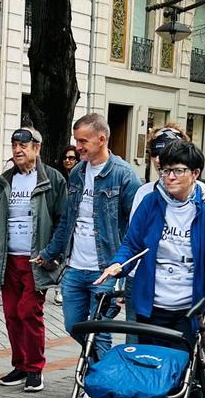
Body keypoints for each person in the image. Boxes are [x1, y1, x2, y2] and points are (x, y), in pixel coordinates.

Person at [95, 140, 205, 398]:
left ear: (195, 174)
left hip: (189, 308)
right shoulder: (152, 203)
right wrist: (118, 265)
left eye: (177, 171)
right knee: (156, 376)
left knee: (188, 377)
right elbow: (132, 243)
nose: (169, 177)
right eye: (165, 170)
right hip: (152, 304)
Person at [38, 113, 141, 359]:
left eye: (83, 141)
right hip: (75, 267)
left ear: (102, 138)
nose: (78, 147)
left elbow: (136, 228)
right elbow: (67, 220)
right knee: (73, 325)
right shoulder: (77, 173)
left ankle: (96, 388)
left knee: (100, 331)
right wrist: (50, 252)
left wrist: (124, 271)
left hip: (105, 268)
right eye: (76, 140)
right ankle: (105, 368)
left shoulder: (124, 175)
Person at [0, 128, 66, 393]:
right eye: (15, 145)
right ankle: (20, 365)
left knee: (29, 312)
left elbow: (63, 220)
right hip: (7, 259)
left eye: (23, 146)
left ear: (36, 148)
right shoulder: (5, 181)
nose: (17, 150)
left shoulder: (52, 180)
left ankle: (35, 368)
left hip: (36, 260)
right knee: (12, 314)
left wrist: (53, 253)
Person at [52, 146, 81, 306]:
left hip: (74, 224)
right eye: (65, 158)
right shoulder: (59, 178)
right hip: (61, 222)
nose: (67, 161)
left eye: (71, 158)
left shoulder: (80, 177)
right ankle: (58, 289)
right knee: (60, 256)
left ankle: (62, 288)